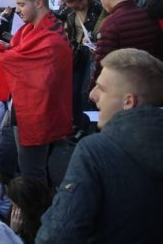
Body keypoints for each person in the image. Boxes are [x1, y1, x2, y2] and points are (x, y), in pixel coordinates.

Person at [37, 49, 163, 243]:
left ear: (128, 102)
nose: (92, 95)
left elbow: (58, 235)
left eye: (101, 88)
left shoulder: (94, 151)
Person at [0, 0, 72, 183]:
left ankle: (32, 210)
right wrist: (10, 49)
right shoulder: (31, 29)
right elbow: (24, 57)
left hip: (35, 113)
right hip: (18, 105)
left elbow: (36, 74)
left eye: (21, 4)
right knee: (4, 152)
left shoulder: (53, 40)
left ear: (38, 3)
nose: (17, 10)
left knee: (31, 170)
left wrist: (6, 55)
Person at [93, 0, 160, 79]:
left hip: (123, 84)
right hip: (149, 82)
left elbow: (102, 65)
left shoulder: (110, 23)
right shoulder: (148, 14)